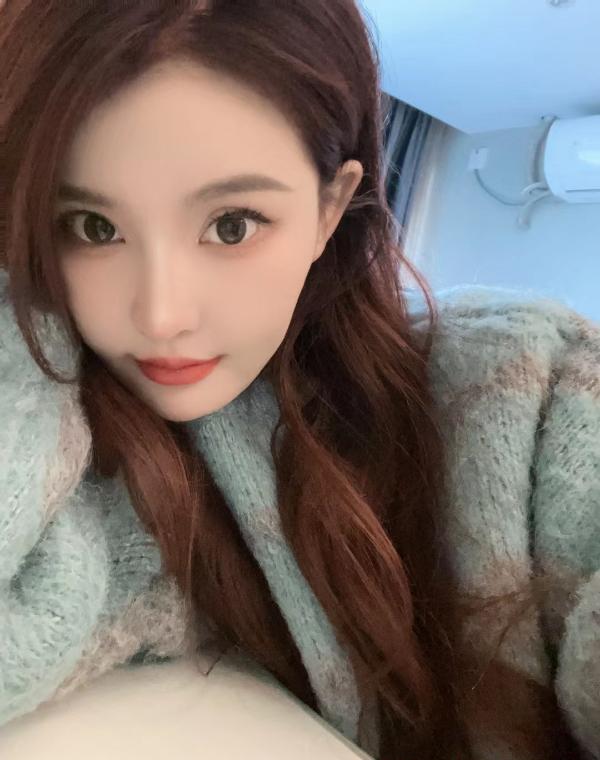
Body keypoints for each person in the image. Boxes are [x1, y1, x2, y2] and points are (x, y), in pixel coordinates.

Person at [0, 2, 598, 759]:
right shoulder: (72, 442)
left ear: (329, 209)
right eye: (92, 227)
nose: (160, 316)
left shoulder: (533, 390)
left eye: (232, 225)